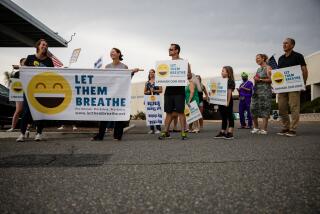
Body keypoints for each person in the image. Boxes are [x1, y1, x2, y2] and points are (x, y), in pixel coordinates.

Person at [91, 48, 140, 141]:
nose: (111, 53)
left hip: (120, 94)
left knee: (119, 115)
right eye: (110, 52)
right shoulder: (107, 67)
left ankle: (117, 135)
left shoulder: (124, 67)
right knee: (104, 115)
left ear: (118, 54)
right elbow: (105, 80)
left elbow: (127, 79)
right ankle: (100, 136)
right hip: (109, 95)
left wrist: (132, 72)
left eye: (113, 52)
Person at [16, 39, 54, 142]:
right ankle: (22, 134)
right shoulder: (30, 58)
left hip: (42, 91)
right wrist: (21, 67)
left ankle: (39, 133)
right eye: (43, 45)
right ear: (38, 46)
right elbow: (24, 71)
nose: (45, 47)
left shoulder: (49, 61)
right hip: (29, 89)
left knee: (40, 111)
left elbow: (53, 75)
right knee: (26, 111)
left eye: (46, 45)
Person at [277, 38, 308, 137]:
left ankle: (293, 129)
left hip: (294, 86)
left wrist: (303, 83)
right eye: (283, 43)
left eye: (286, 43)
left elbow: (304, 70)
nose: (284, 45)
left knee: (294, 107)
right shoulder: (280, 58)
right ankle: (285, 127)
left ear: (292, 45)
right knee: (281, 107)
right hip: (282, 87)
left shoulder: (298, 56)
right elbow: (278, 74)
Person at [158, 44, 189, 140]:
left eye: (171, 49)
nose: (169, 50)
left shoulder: (183, 62)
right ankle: (166, 132)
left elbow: (190, 76)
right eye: (169, 49)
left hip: (179, 91)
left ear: (177, 51)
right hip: (169, 91)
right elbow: (162, 76)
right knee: (168, 112)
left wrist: (187, 74)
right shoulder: (166, 64)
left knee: (180, 112)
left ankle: (183, 132)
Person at [250, 54, 272, 135]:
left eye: (258, 58)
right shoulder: (258, 69)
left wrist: (260, 79)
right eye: (256, 58)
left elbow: (271, 80)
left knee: (264, 108)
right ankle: (255, 127)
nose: (257, 59)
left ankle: (264, 129)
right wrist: (255, 79)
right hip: (256, 92)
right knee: (253, 108)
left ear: (263, 58)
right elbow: (257, 80)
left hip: (265, 92)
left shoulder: (268, 68)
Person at [214, 66, 235, 140]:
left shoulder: (230, 81)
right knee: (223, 116)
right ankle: (222, 132)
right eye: (221, 71)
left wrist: (228, 102)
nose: (221, 72)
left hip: (227, 100)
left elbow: (229, 92)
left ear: (228, 73)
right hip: (221, 101)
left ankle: (230, 132)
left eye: (223, 71)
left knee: (229, 116)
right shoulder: (220, 81)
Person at [7, 58, 27, 132]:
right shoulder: (17, 73)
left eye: (27, 62)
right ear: (21, 63)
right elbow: (13, 83)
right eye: (24, 62)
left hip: (28, 92)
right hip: (19, 92)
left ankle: (27, 128)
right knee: (18, 110)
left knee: (28, 111)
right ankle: (12, 127)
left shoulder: (30, 72)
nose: (26, 63)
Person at [144, 69, 163, 134]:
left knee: (157, 113)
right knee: (150, 113)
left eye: (152, 72)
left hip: (156, 99)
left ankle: (158, 129)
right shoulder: (147, 82)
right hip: (149, 99)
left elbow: (161, 90)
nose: (151, 74)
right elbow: (144, 92)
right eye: (150, 73)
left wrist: (154, 91)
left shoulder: (158, 81)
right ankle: (152, 129)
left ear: (155, 73)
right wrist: (149, 91)